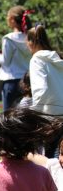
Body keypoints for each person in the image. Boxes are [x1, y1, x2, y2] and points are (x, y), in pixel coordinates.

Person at [0, 6, 33, 111]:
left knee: (8, 117)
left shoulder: (8, 38)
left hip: (12, 83)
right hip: (28, 81)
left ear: (12, 20)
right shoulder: (31, 37)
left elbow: (4, 62)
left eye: (7, 17)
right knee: (25, 115)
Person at [27, 24, 63, 157]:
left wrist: (32, 113)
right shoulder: (58, 58)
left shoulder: (37, 59)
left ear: (31, 42)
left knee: (45, 160)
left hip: (48, 116)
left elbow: (41, 89)